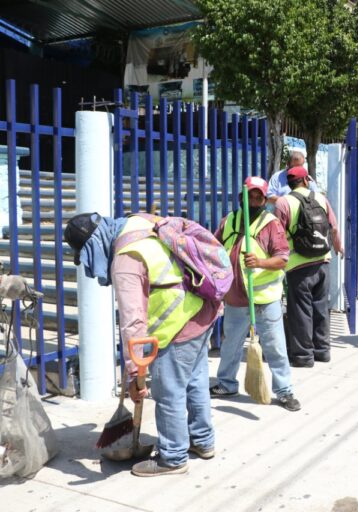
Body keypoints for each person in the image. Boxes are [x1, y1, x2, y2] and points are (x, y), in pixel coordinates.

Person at [64, 212, 220, 477]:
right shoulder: (137, 223)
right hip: (204, 306)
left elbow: (133, 323)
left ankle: (173, 457)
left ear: (92, 246)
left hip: (178, 321)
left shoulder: (125, 259)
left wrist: (135, 375)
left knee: (168, 391)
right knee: (195, 379)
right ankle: (202, 441)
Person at [209, 176, 301, 411]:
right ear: (242, 197)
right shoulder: (230, 220)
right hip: (235, 297)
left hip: (264, 298)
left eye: (259, 196)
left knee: (275, 346)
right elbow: (214, 248)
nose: (255, 199)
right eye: (251, 195)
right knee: (230, 344)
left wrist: (259, 261)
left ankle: (284, 390)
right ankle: (226, 383)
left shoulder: (271, 223)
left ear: (264, 199)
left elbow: (282, 259)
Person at [275, 166, 343, 367]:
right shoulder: (321, 198)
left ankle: (304, 356)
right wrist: (338, 248)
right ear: (305, 180)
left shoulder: (283, 202)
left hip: (297, 265)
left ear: (289, 184)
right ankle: (322, 351)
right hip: (323, 260)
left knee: (301, 311)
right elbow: (334, 227)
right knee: (321, 306)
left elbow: (277, 234)